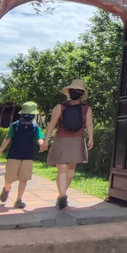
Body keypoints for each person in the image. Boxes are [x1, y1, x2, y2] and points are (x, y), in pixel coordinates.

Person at [41, 78, 94, 209]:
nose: (76, 92)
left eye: (78, 90)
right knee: (63, 168)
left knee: (69, 169)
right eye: (74, 90)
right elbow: (52, 124)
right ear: (70, 92)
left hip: (73, 139)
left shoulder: (81, 108)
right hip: (65, 139)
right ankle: (63, 195)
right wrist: (46, 140)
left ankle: (61, 195)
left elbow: (89, 124)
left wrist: (91, 138)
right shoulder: (63, 107)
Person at [0, 101, 44, 210]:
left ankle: (19, 199)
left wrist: (42, 145)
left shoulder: (35, 127)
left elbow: (39, 138)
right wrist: (0, 151)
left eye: (31, 115)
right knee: (10, 177)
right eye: (26, 114)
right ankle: (6, 189)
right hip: (13, 155)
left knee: (24, 178)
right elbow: (7, 139)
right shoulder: (15, 126)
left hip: (28, 156)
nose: (28, 116)